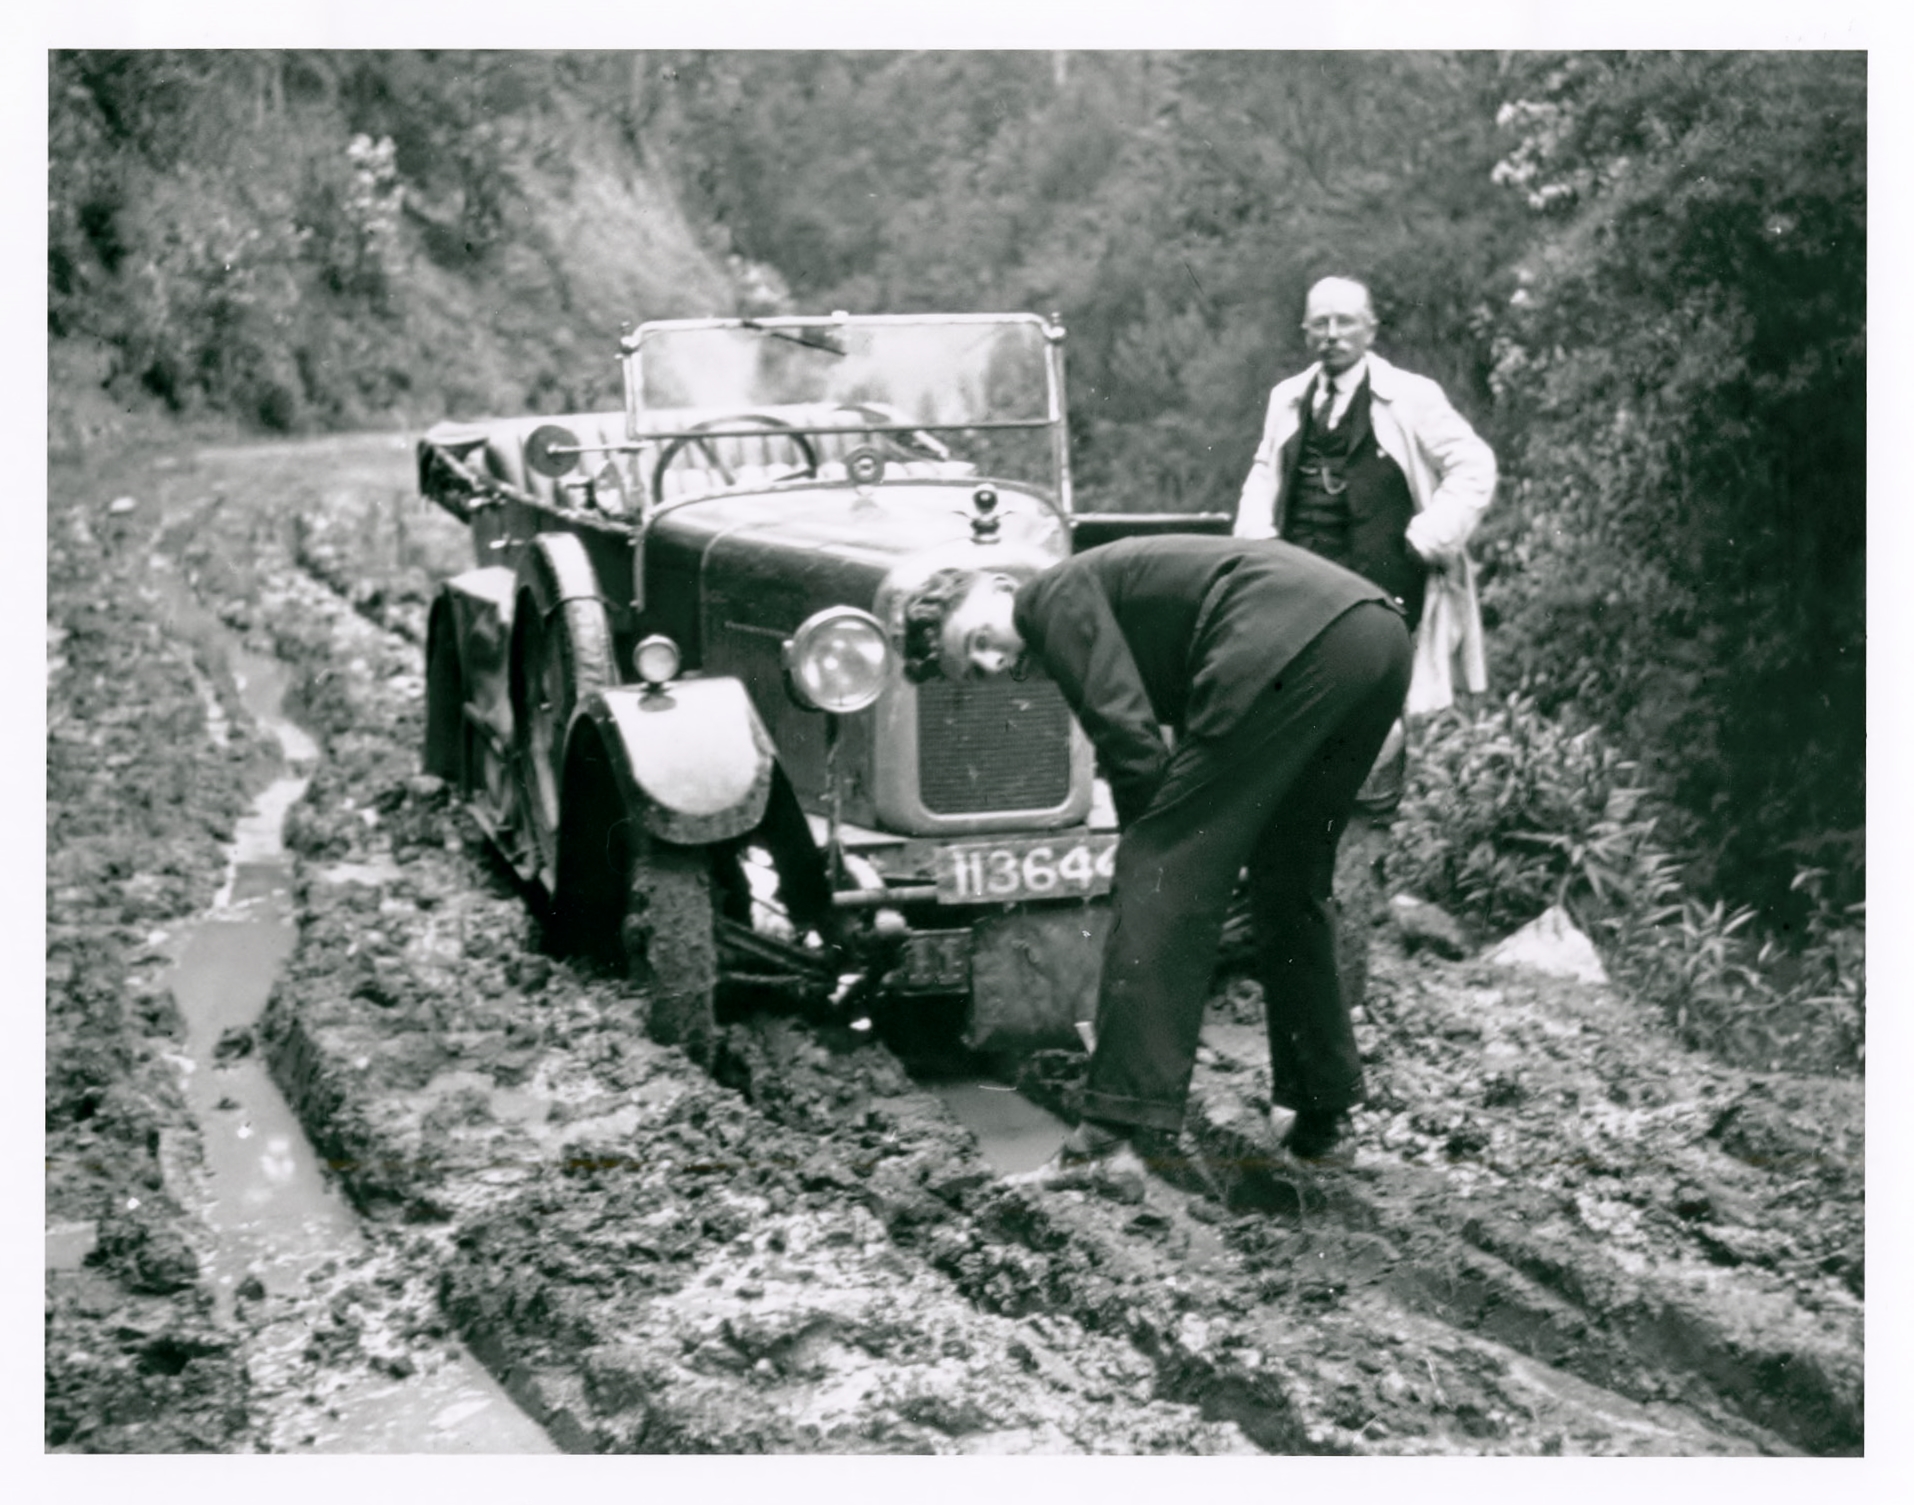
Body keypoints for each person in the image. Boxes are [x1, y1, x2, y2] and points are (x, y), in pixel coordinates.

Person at [902, 535, 1412, 1175]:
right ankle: (1320, 1114)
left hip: (1288, 642)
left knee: (1159, 867)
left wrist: (1158, 863)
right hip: (1377, 638)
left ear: (998, 589)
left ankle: (1112, 1137)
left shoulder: (1048, 597)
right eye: (976, 670)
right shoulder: (1094, 593)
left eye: (979, 639)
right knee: (1290, 877)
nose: (994, 663)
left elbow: (1131, 738)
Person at [1234, 276, 1495, 718]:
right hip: (1302, 596)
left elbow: (1474, 465)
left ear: (1370, 330)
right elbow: (1264, 472)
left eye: (1345, 322)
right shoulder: (1288, 399)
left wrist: (1431, 535)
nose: (1332, 335)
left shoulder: (1411, 397)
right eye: (1320, 323)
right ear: (1306, 332)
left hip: (1385, 596)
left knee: (1377, 720)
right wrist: (1258, 542)